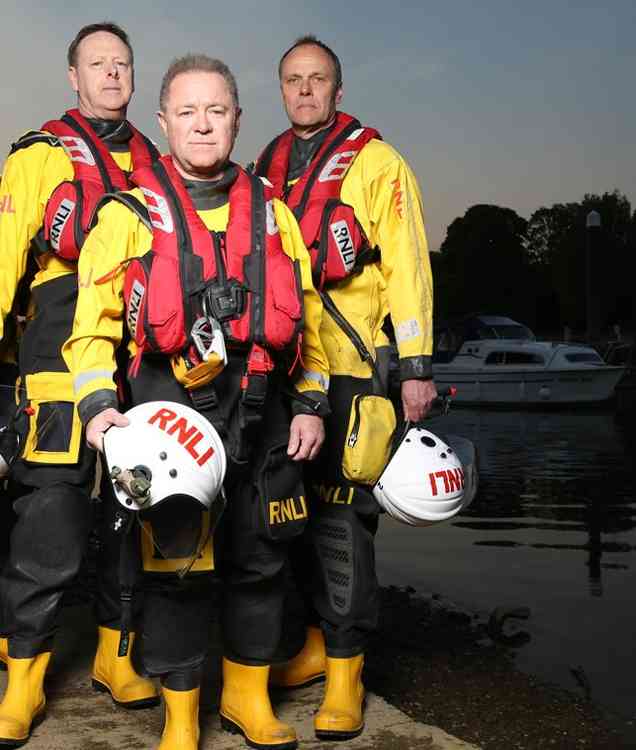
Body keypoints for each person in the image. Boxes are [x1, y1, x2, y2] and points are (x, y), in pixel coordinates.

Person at [65, 54, 330, 750]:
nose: (203, 124)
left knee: (262, 558)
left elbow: (309, 318)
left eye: (217, 110)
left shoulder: (274, 213)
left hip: (265, 406)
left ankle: (248, 701)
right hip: (167, 416)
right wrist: (97, 406)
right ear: (163, 124)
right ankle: (181, 722)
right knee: (174, 566)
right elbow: (89, 325)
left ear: (238, 120)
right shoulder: (126, 215)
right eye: (187, 111)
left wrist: (310, 403)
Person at [254, 36, 437, 741]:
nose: (305, 91)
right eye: (293, 81)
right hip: (288, 369)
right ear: (281, 90)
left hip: (357, 373)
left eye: (317, 80)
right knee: (284, 516)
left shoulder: (377, 161)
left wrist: (416, 366)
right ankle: (309, 642)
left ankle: (346, 671)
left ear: (338, 87)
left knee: (342, 524)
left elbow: (409, 263)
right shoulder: (264, 166)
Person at [0, 22, 161, 745]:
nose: (112, 74)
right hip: (57, 338)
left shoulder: (159, 163)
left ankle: (113, 655)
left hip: (139, 345)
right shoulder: (39, 158)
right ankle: (25, 677)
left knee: (134, 506)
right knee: (52, 512)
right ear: (73, 76)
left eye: (122, 64)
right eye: (98, 64)